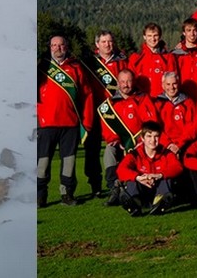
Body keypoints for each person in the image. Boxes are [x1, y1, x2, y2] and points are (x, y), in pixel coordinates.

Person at [37, 36, 96, 207]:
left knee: (69, 162)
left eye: (61, 45)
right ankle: (40, 195)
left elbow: (87, 96)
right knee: (42, 162)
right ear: (49, 47)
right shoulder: (42, 67)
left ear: (67, 46)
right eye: (54, 45)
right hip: (46, 123)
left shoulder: (76, 68)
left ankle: (67, 193)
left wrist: (87, 122)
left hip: (70, 124)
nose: (58, 48)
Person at [99, 69, 159, 204]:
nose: (126, 85)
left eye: (129, 81)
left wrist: (141, 141)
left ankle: (133, 190)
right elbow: (106, 126)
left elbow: (151, 123)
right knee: (109, 150)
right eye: (122, 82)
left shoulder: (143, 98)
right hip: (119, 143)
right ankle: (114, 187)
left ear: (134, 82)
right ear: (118, 83)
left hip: (140, 144)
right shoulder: (111, 103)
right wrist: (113, 139)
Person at [82, 31, 128, 197]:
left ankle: (121, 182)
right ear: (97, 44)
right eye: (103, 42)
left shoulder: (122, 61)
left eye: (110, 41)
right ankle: (95, 185)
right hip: (95, 112)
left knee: (119, 148)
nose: (107, 45)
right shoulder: (90, 63)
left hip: (116, 114)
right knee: (92, 151)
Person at [115, 121, 183, 216]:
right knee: (131, 180)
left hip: (158, 187)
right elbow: (121, 169)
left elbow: (178, 167)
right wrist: (139, 177)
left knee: (167, 179)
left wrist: (159, 175)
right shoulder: (135, 154)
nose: (153, 140)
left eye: (156, 136)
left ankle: (159, 203)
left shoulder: (166, 153)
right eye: (149, 136)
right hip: (142, 188)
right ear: (142, 138)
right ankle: (135, 203)